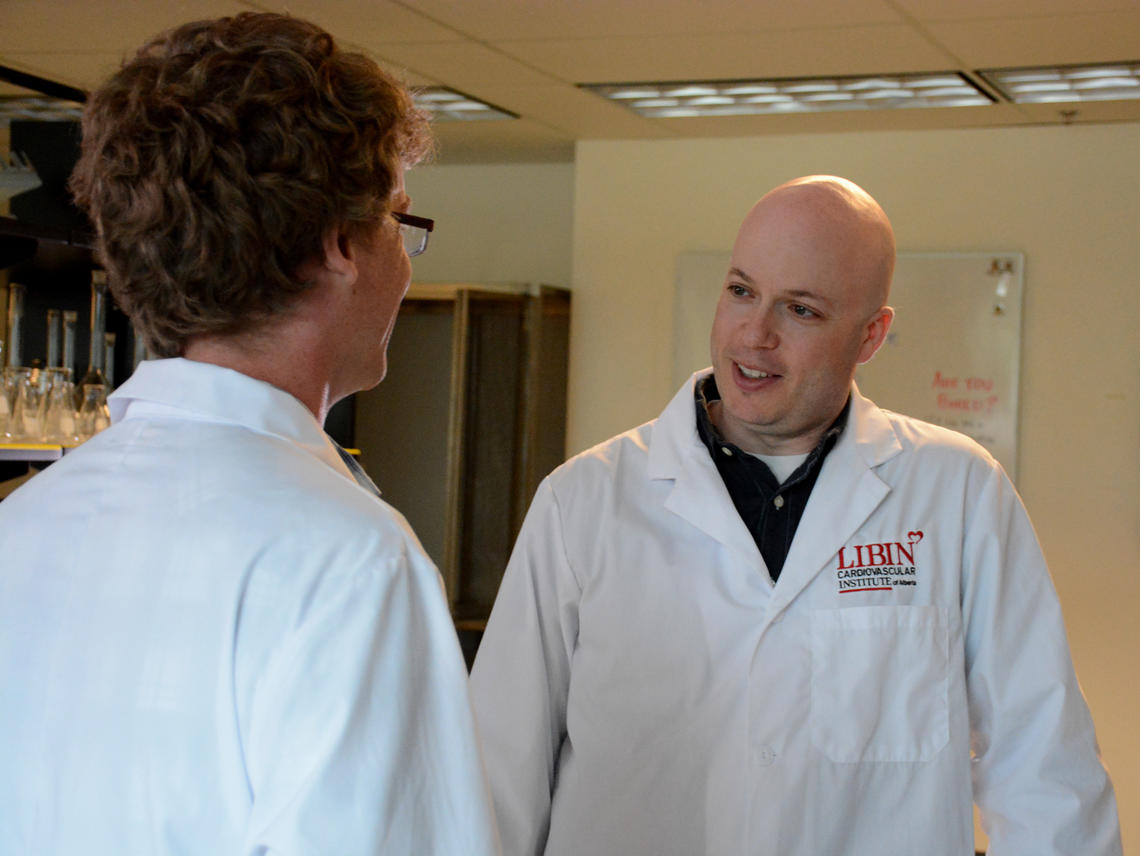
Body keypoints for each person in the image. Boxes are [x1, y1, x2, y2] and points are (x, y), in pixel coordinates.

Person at [469, 176, 1121, 855]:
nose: (755, 335)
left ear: (871, 336)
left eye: (801, 311)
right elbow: (495, 781)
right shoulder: (582, 502)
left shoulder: (957, 492)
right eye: (741, 291)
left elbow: (1047, 773)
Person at [0, 13, 499, 855]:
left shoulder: (22, 523)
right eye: (398, 221)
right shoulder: (351, 560)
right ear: (341, 244)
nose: (407, 263)